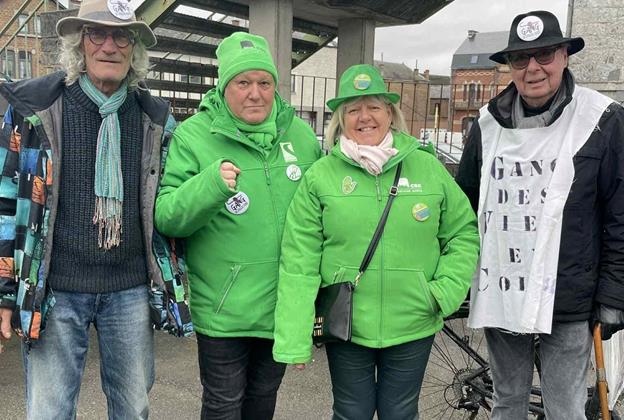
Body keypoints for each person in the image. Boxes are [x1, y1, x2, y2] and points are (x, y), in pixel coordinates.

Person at [0, 0, 190, 418]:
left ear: (134, 47)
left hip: (130, 288)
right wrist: (5, 291)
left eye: (122, 36)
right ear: (79, 43)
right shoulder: (34, 111)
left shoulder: (156, 119)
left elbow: (172, 201)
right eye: (97, 34)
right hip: (55, 289)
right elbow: (6, 201)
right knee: (48, 412)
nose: (109, 46)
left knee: (133, 410)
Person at [272, 64, 479, 420]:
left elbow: (463, 233)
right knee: (351, 412)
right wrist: (294, 334)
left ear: (390, 113)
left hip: (414, 320)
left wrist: (442, 293)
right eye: (353, 109)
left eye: (374, 107)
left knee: (400, 413)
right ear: (341, 118)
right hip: (348, 325)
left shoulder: (427, 168)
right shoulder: (320, 176)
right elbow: (299, 257)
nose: (364, 117)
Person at [456, 10, 624, 420]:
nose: (533, 68)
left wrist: (613, 295)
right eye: (520, 58)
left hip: (569, 298)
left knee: (565, 409)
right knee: (507, 403)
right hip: (503, 292)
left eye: (545, 54)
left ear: (564, 56)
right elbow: (464, 207)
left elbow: (619, 214)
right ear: (510, 66)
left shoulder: (602, 120)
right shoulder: (486, 125)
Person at [155, 31, 321, 419]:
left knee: (263, 401)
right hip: (224, 308)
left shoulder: (300, 135)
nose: (255, 94)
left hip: (283, 304)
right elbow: (167, 217)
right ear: (224, 86)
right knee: (223, 405)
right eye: (243, 83)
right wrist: (210, 186)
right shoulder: (194, 136)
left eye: (264, 83)